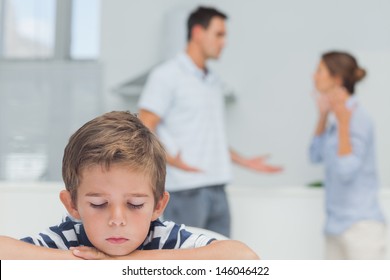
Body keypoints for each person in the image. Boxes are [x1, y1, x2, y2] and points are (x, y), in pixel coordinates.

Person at [0, 111, 259, 260]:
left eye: (135, 204)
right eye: (99, 204)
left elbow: (244, 258)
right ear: (72, 205)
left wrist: (123, 263)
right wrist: (77, 263)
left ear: (158, 205)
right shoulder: (68, 240)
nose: (117, 219)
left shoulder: (164, 238)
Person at [138, 6, 282, 238]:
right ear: (197, 32)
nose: (223, 42)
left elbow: (209, 137)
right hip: (185, 190)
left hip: (218, 186)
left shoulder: (213, 81)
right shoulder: (167, 75)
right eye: (219, 34)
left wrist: (245, 161)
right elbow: (145, 125)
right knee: (186, 264)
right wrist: (170, 159)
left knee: (220, 260)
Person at [309, 51, 386, 259]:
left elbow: (346, 170)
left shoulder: (357, 118)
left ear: (337, 78)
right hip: (335, 227)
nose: (313, 76)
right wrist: (323, 116)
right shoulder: (334, 117)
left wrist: (343, 124)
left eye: (319, 71)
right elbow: (314, 156)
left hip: (361, 229)